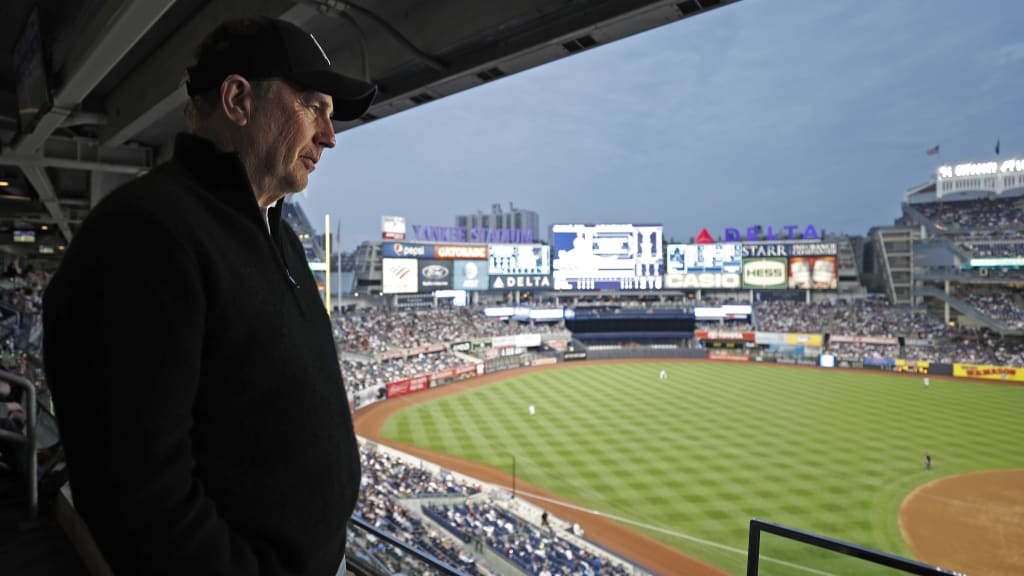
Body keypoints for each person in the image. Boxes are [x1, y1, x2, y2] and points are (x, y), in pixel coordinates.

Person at [42, 17, 376, 576]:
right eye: (312, 106)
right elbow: (137, 497)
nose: (329, 135)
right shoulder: (144, 234)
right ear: (238, 100)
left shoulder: (278, 235)